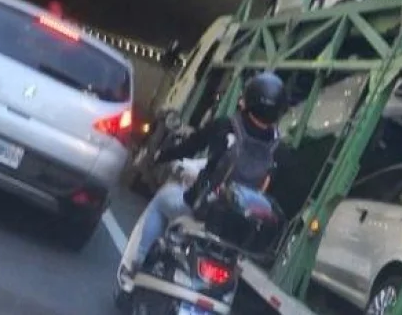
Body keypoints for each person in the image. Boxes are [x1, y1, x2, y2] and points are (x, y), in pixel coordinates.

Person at [122, 71, 288, 277]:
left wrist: (159, 156)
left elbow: (189, 147)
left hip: (203, 210)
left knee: (161, 201)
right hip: (239, 229)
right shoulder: (279, 149)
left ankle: (138, 263)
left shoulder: (226, 126)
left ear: (249, 100)